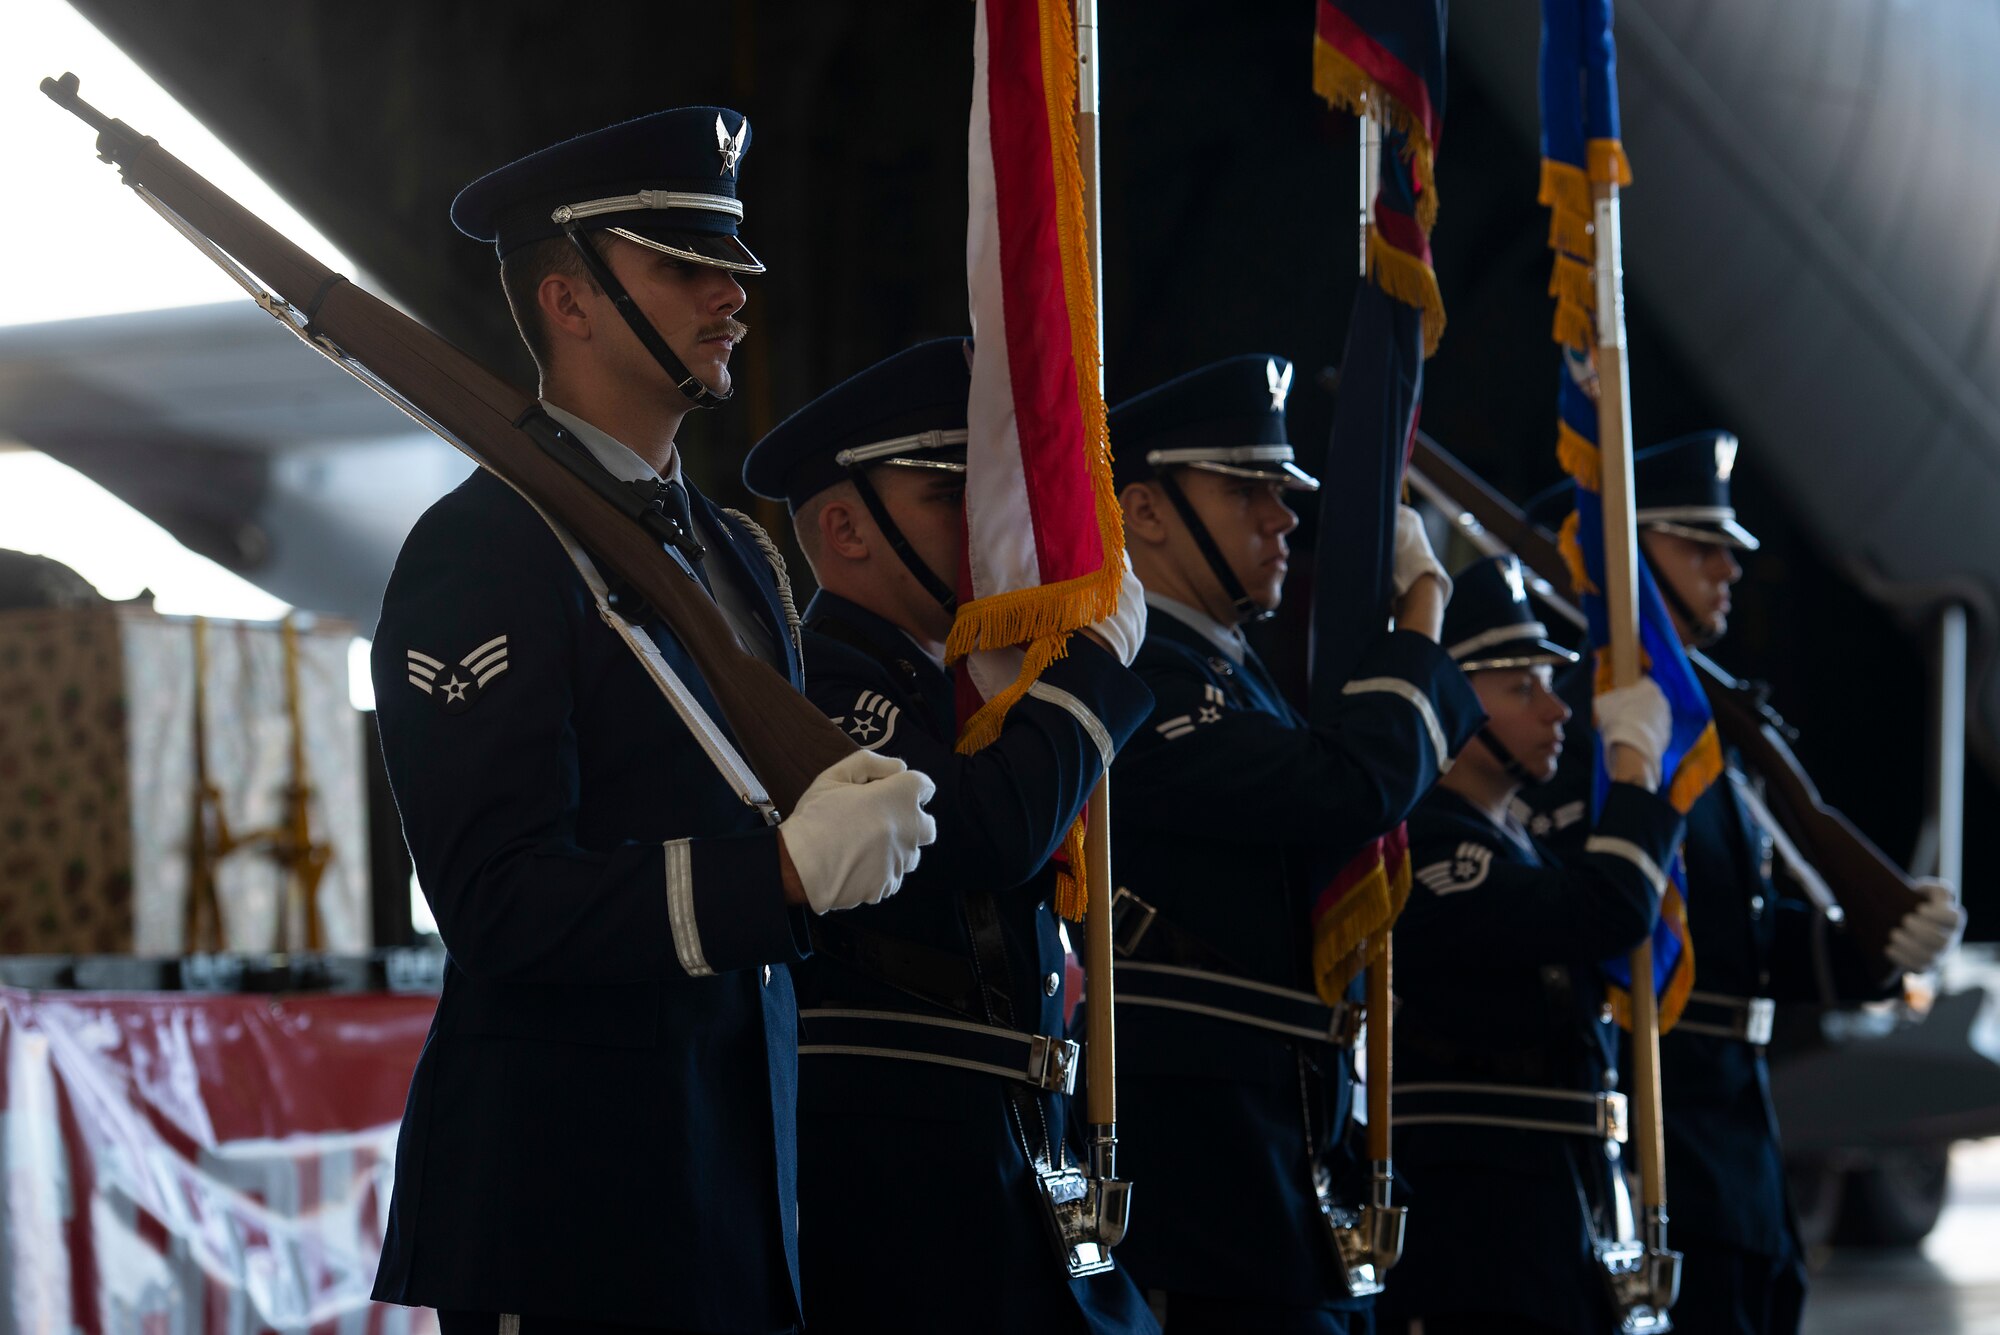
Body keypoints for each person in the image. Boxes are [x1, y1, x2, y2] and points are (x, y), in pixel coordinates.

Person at [369, 108, 937, 1333]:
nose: (729, 295)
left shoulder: (733, 550)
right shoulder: (482, 548)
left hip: (739, 1183)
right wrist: (777, 873)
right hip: (572, 1199)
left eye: (729, 265)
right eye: (683, 266)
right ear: (568, 304)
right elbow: (497, 900)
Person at [742, 338, 1161, 1334]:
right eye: (947, 497)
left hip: (1006, 1150)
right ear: (844, 527)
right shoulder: (822, 687)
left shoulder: (954, 686)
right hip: (904, 1171)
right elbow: (980, 830)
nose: (988, 528)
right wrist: (1089, 668)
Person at [1524, 430, 1966, 1335]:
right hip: (1660, 1142)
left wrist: (1879, 947)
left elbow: (1749, 939)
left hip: (1743, 1149)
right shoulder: (1596, 726)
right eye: (1699, 545)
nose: (1730, 566)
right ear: (1629, 556)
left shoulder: (1711, 726)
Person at [1101, 354, 1485, 1333]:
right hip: (1199, 1153)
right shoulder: (1138, 672)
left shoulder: (1233, 677)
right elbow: (1348, 790)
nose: (1281, 518)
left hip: (1276, 1138)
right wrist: (1422, 611)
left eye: (1281, 493)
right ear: (1141, 510)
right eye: (1245, 491)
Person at [1378, 554, 1682, 1335]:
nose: (1557, 712)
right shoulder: (1434, 847)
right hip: (1483, 1241)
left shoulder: (1512, 844)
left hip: (1552, 1220)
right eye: (1521, 688)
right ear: (1448, 696)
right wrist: (1635, 772)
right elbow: (1609, 908)